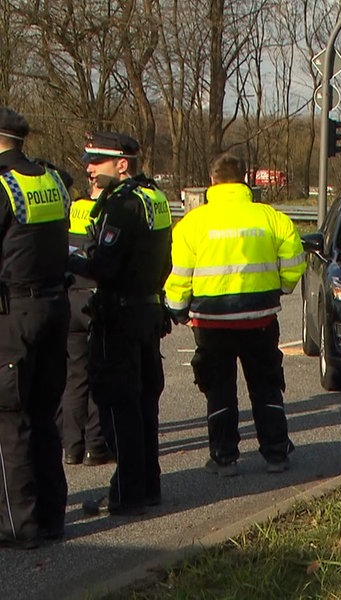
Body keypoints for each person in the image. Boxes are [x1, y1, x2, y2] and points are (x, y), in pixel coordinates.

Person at [164, 153, 305, 476]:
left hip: (211, 321)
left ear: (212, 181)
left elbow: (180, 274)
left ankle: (224, 457)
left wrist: (177, 308)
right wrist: (281, 287)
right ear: (245, 180)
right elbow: (295, 261)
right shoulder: (271, 217)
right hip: (260, 318)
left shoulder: (193, 223)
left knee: (219, 389)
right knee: (267, 384)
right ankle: (275, 454)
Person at [70, 131, 172, 516]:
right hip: (148, 310)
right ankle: (148, 487)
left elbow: (104, 266)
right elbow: (166, 261)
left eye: (96, 161)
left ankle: (125, 494)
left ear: (122, 164)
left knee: (117, 403)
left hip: (121, 315)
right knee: (145, 403)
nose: (89, 169)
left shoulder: (121, 205)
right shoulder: (155, 198)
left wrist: (72, 264)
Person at [0, 108, 72, 549]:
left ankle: (16, 525)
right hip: (54, 306)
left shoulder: (1, 185)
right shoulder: (51, 179)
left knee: (10, 420)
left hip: (14, 314)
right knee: (45, 416)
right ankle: (50, 517)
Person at [57, 179, 113, 467]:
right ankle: (96, 445)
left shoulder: (72, 208)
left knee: (74, 376)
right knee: (99, 375)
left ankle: (71, 447)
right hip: (95, 297)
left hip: (69, 295)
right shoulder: (109, 212)